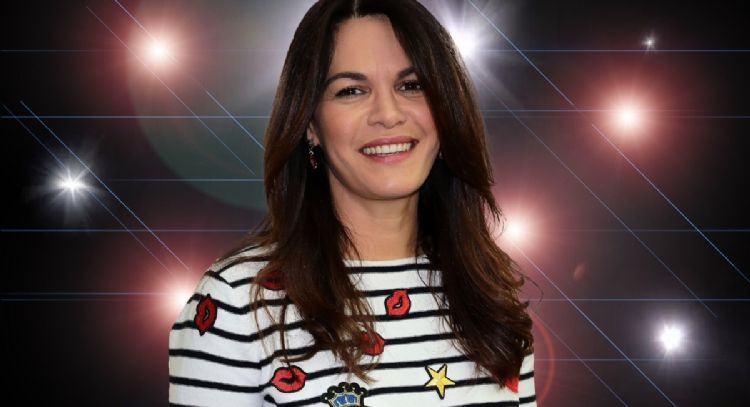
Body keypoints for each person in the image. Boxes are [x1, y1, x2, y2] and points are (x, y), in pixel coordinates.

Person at [169, 0, 536, 405]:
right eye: (351, 91)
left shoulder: (490, 296)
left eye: (411, 85)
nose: (388, 114)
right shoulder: (237, 302)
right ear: (310, 125)